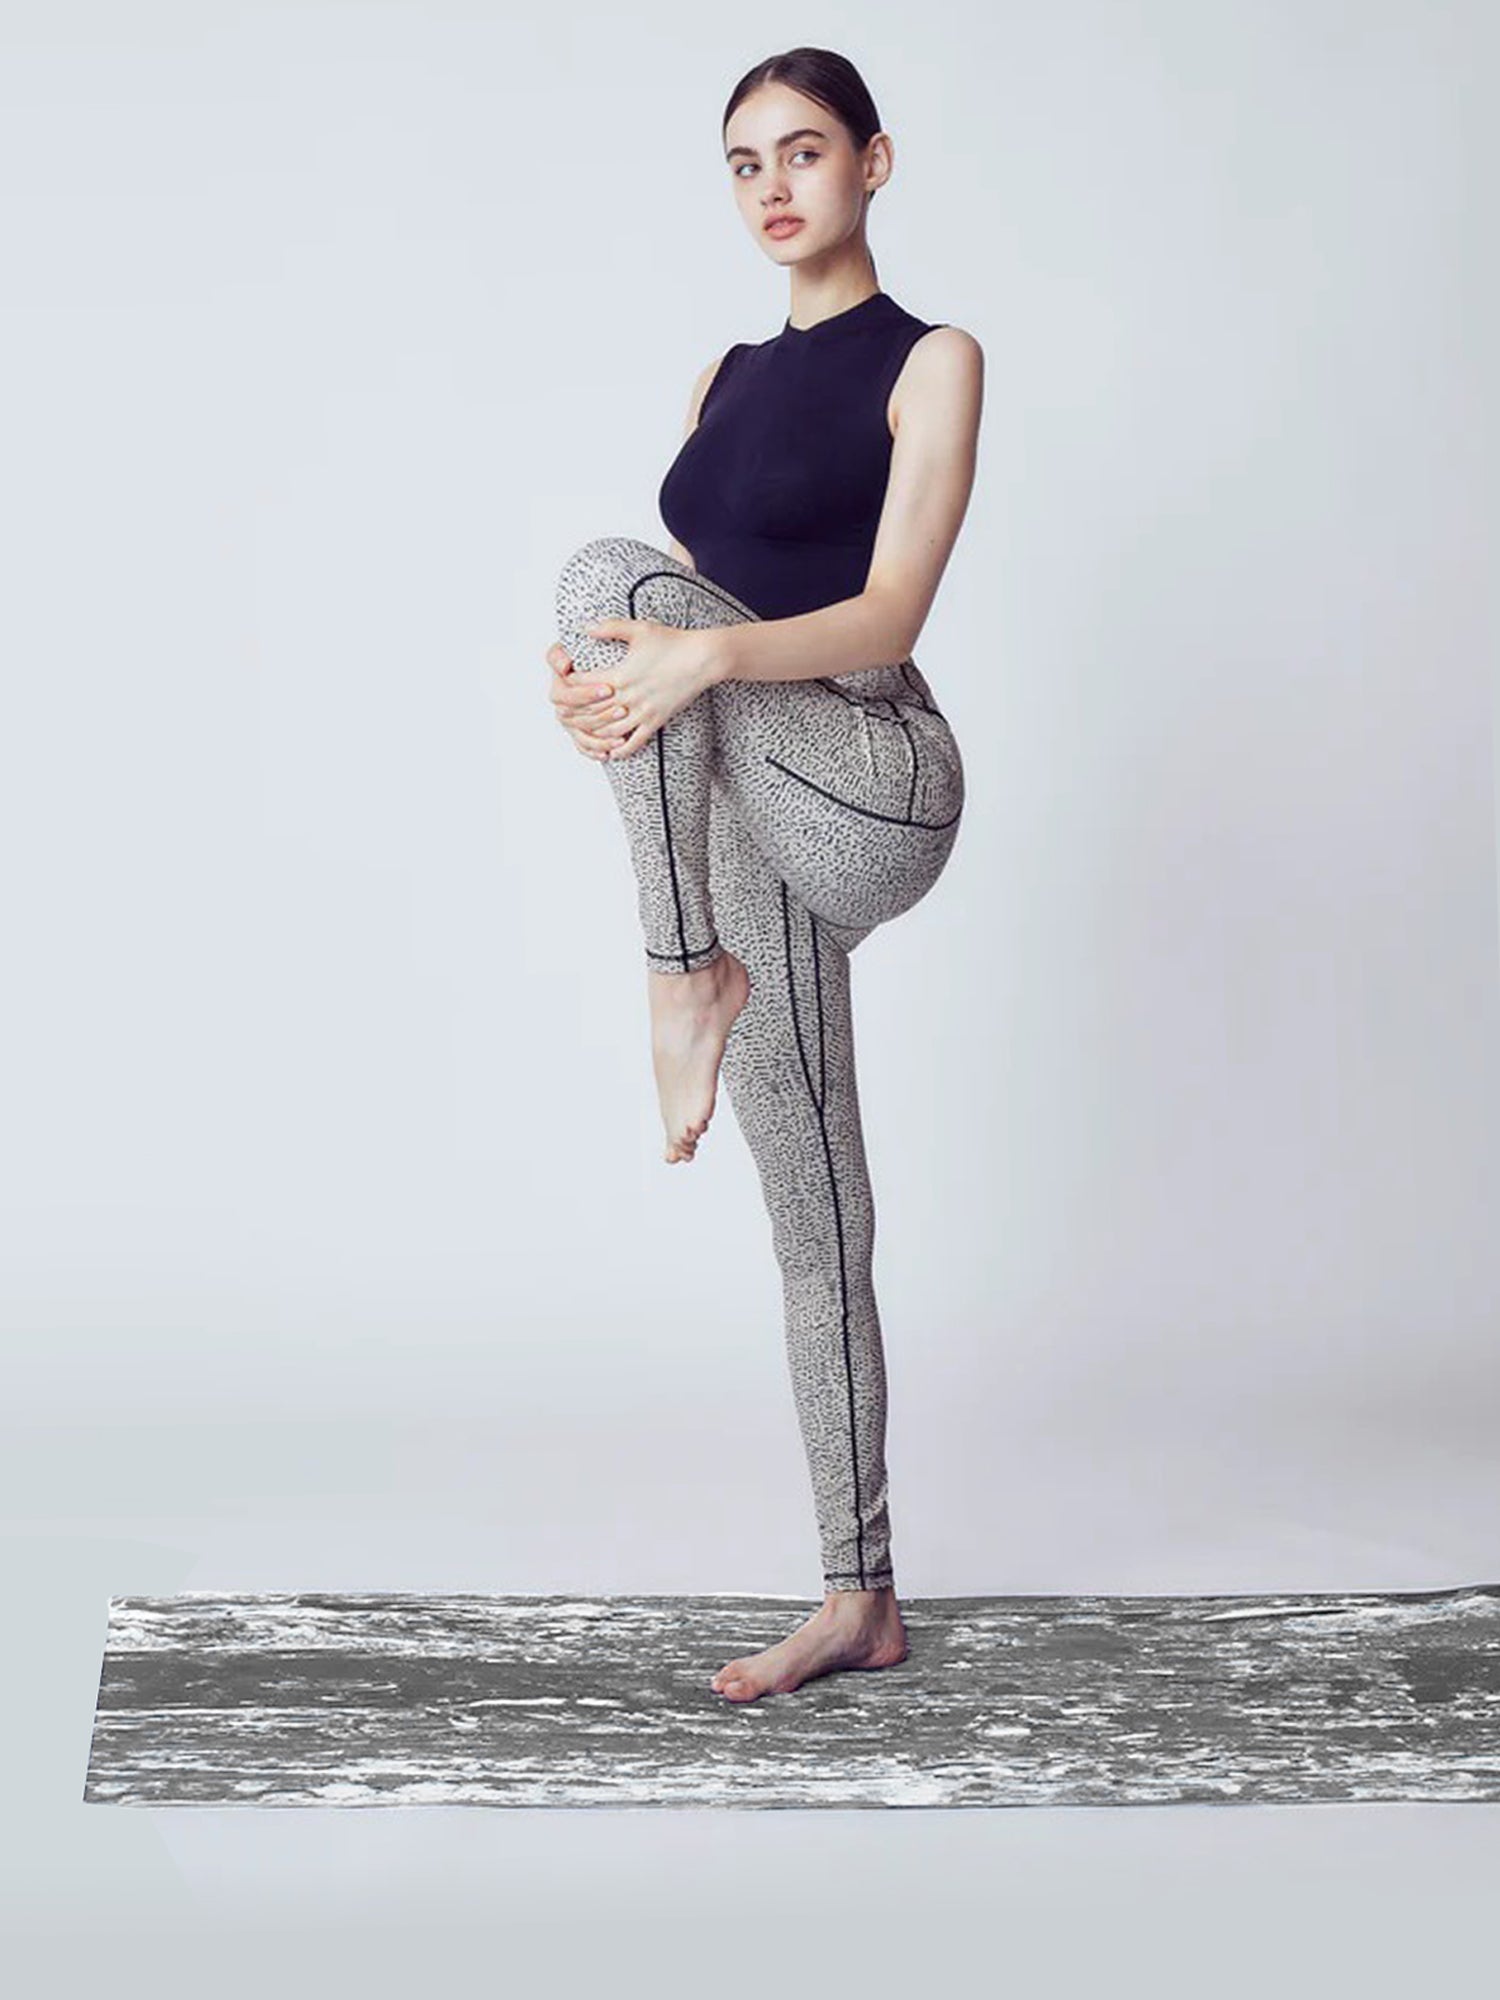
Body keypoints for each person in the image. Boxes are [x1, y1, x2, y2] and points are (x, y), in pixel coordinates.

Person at [544, 46, 983, 1702]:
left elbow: (890, 611)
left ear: (875, 161)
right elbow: (674, 641)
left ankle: (682, 979)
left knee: (608, 572)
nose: (774, 186)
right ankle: (859, 1595)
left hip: (874, 771)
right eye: (745, 163)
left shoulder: (932, 359)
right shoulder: (721, 377)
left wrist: (689, 657)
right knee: (817, 1223)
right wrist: (606, 694)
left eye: (804, 151)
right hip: (748, 802)